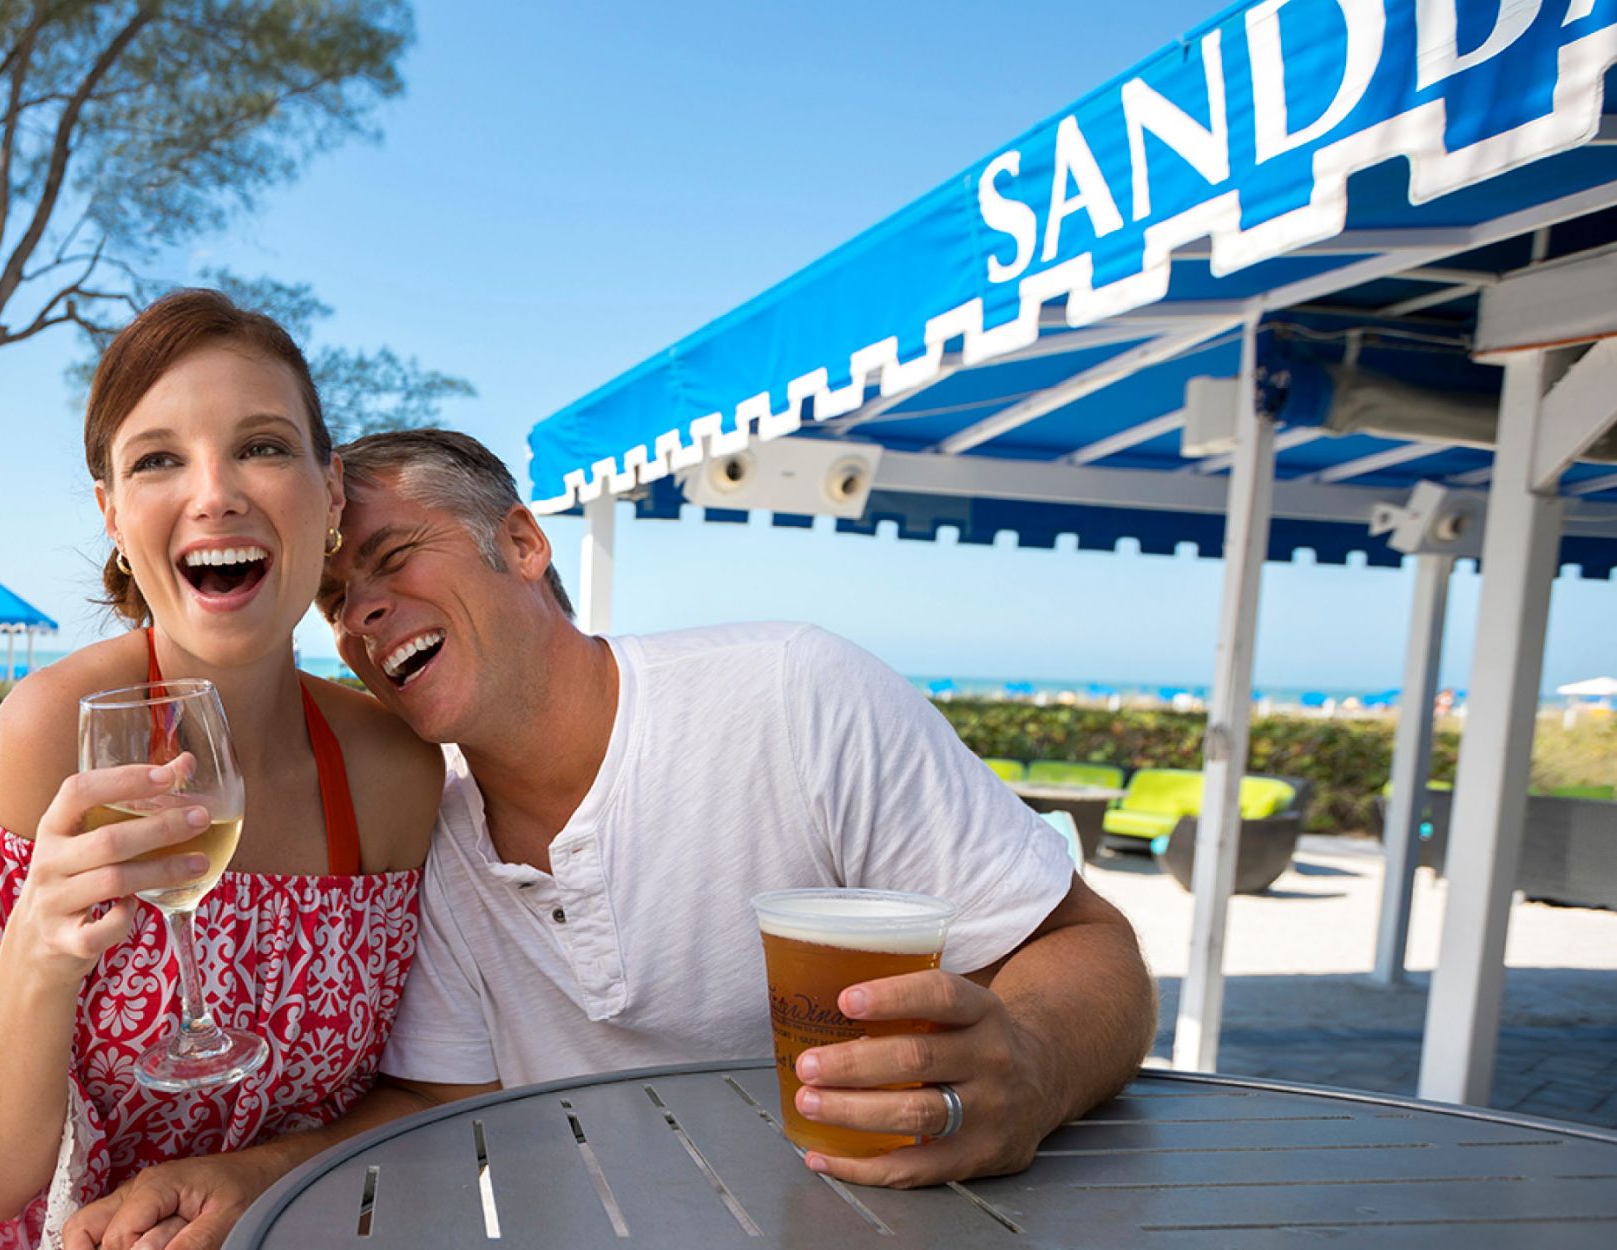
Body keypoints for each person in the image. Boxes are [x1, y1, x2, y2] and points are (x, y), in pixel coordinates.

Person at [68, 429, 1155, 1249]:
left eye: (396, 556)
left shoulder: (790, 694)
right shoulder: (427, 829)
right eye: (337, 601)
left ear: (525, 541)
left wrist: (1037, 1064)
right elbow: (437, 1109)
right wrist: (253, 1175)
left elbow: (1086, 944)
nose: (363, 615)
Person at [0, 292, 443, 1250]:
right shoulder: (55, 734)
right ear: (113, 515)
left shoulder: (392, 766)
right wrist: (45, 951)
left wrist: (256, 1184)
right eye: (158, 459)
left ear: (331, 491)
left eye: (261, 445)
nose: (214, 492)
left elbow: (428, 1093)